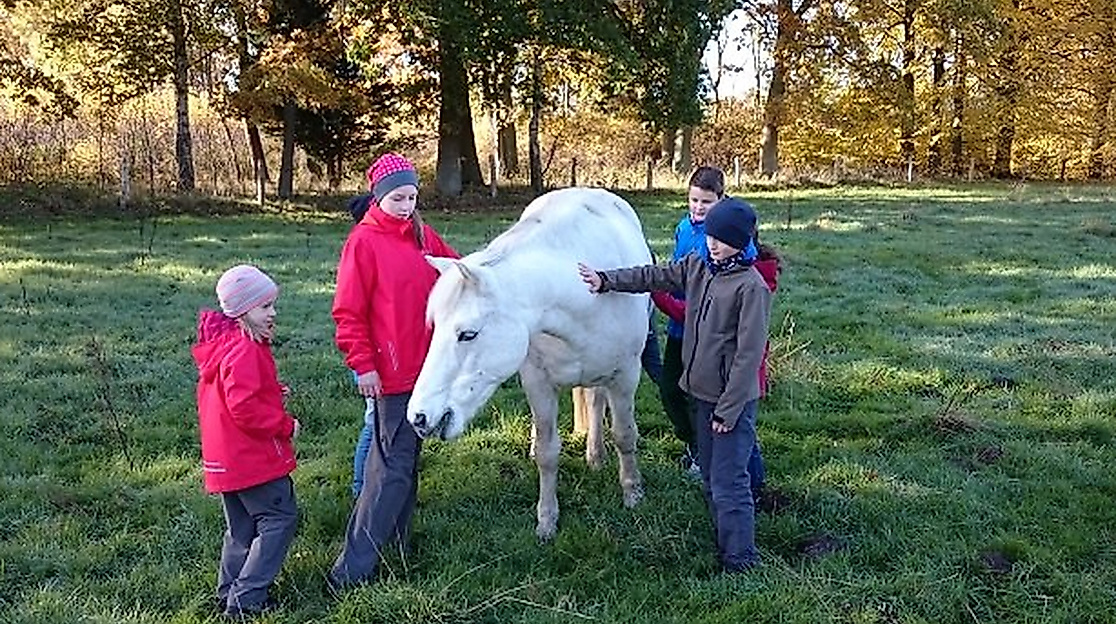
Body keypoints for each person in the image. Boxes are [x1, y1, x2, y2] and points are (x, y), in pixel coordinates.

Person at [579, 197, 772, 572]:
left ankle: (741, 561)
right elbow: (654, 275)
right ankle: (724, 540)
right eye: (710, 236)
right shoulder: (700, 266)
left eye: (722, 238)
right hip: (699, 394)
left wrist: (729, 411)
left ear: (741, 241)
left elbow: (748, 357)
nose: (713, 244)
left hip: (729, 403)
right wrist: (606, 280)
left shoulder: (751, 288)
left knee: (731, 481)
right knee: (712, 477)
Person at [329, 153, 460, 589]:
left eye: (412, 197)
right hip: (389, 374)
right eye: (398, 198)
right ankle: (351, 572)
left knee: (405, 463)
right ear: (378, 196)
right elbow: (348, 312)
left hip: (426, 372)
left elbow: (459, 271)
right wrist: (363, 365)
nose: (406, 206)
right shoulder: (363, 242)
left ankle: (397, 548)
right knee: (389, 469)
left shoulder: (421, 235)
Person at [192, 264, 300, 617]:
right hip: (252, 460)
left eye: (273, 305)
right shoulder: (245, 350)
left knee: (241, 528)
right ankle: (248, 598)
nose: (273, 313)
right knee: (278, 519)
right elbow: (245, 407)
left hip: (225, 459)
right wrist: (284, 425)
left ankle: (228, 593)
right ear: (242, 310)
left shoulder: (224, 346)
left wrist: (272, 390)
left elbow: (232, 394)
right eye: (265, 307)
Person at [656, 166, 725, 474]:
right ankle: (693, 442)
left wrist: (660, 297)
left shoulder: (726, 234)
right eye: (693, 200)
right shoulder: (684, 227)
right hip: (678, 326)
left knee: (700, 396)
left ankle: (705, 455)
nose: (698, 208)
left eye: (706, 202)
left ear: (720, 200)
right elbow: (676, 272)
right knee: (670, 389)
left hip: (706, 331)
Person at [344, 189, 377, 498]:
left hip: (383, 357)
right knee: (375, 423)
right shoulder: (363, 250)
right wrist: (364, 365)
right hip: (370, 358)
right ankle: (360, 490)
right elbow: (351, 316)